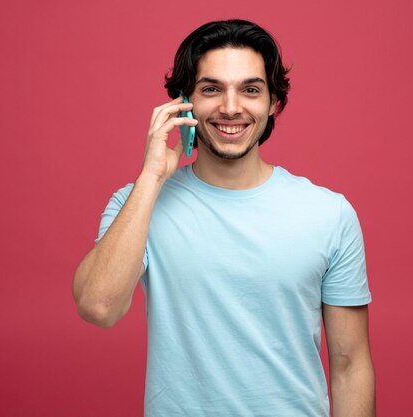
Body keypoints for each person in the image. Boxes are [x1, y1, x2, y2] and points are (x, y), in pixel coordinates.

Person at [72, 19, 375, 417]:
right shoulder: (137, 203)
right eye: (211, 89)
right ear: (184, 102)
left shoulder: (329, 213)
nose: (231, 107)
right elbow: (98, 306)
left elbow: (350, 364)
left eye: (250, 90)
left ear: (273, 103)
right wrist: (151, 177)